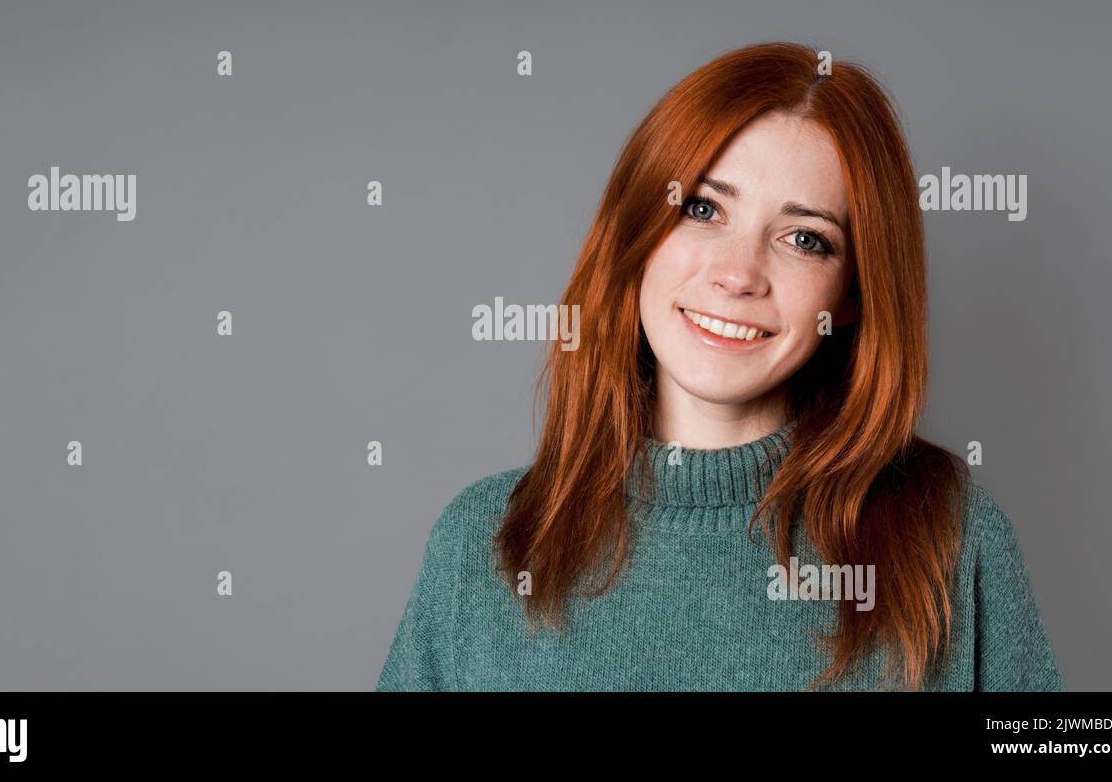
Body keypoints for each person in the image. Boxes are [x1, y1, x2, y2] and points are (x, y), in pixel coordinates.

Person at [376, 41, 1063, 691]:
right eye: (702, 208)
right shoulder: (482, 544)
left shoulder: (951, 538)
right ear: (637, 230)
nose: (738, 274)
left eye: (804, 238)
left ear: (852, 293)